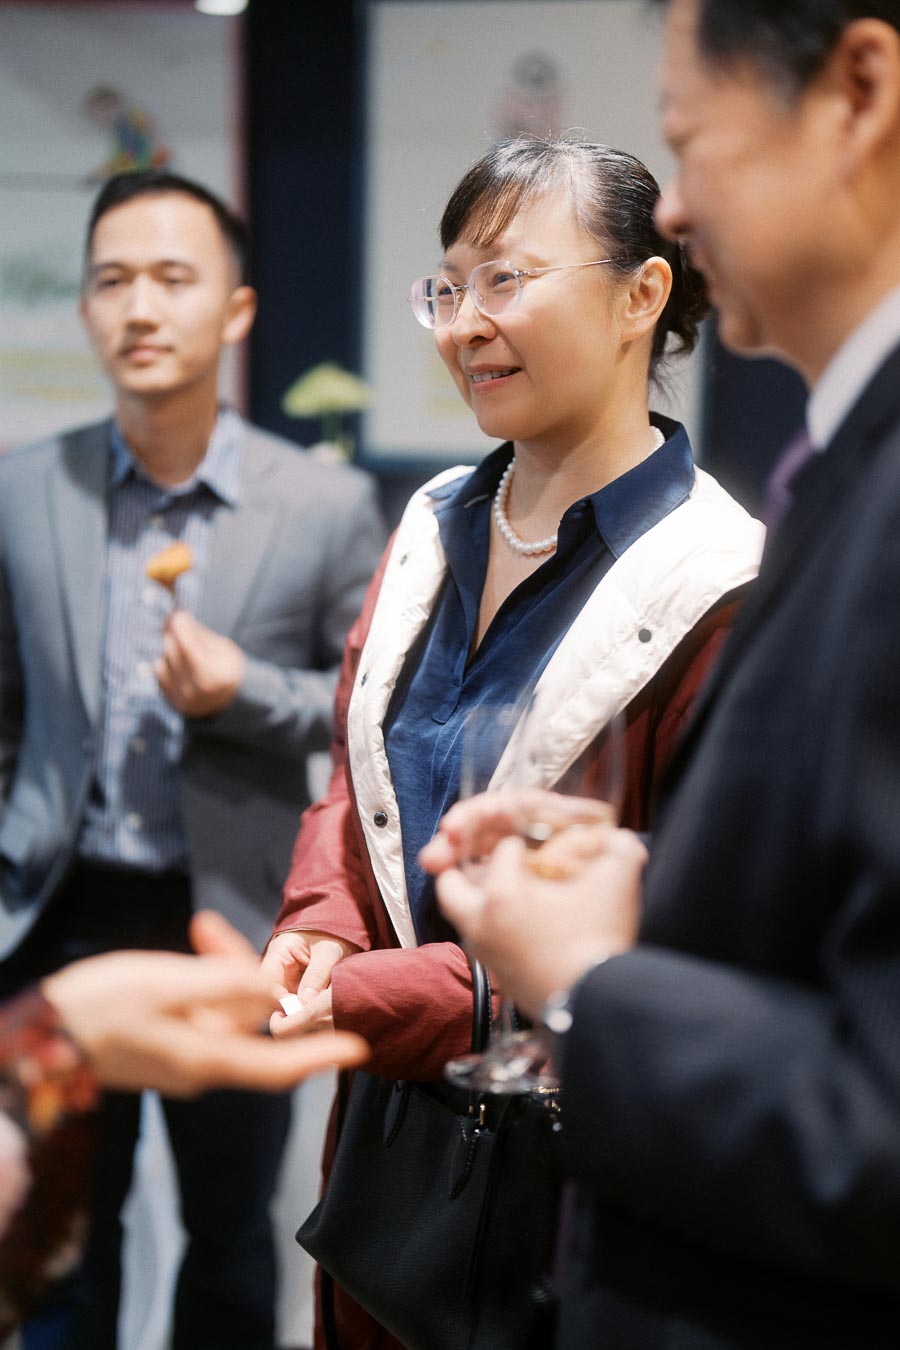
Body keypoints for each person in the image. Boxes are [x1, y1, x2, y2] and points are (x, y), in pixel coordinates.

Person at [427, 2, 900, 1347]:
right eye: (451, 285)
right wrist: (660, 899)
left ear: (859, 88)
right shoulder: (843, 459)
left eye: (688, 138)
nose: (676, 206)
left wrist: (598, 982)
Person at [262, 136, 763, 1348]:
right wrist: (321, 916)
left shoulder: (719, 585)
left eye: (507, 281)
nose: (464, 325)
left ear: (643, 295)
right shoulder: (435, 523)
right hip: (385, 1148)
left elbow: (677, 922)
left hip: (573, 1165)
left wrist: (389, 993)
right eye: (449, 286)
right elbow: (360, 773)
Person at [0, 169, 384, 1349]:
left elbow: (361, 713)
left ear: (237, 309)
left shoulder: (323, 504)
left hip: (230, 917)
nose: (141, 307)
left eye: (174, 278)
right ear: (86, 312)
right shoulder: (22, 490)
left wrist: (242, 691)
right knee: (61, 1231)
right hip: (55, 907)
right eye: (112, 281)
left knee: (227, 1237)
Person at [0, 909, 368, 1340]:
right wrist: (49, 1039)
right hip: (48, 908)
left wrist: (46, 1037)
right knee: (61, 1246)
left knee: (232, 1230)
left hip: (239, 905)